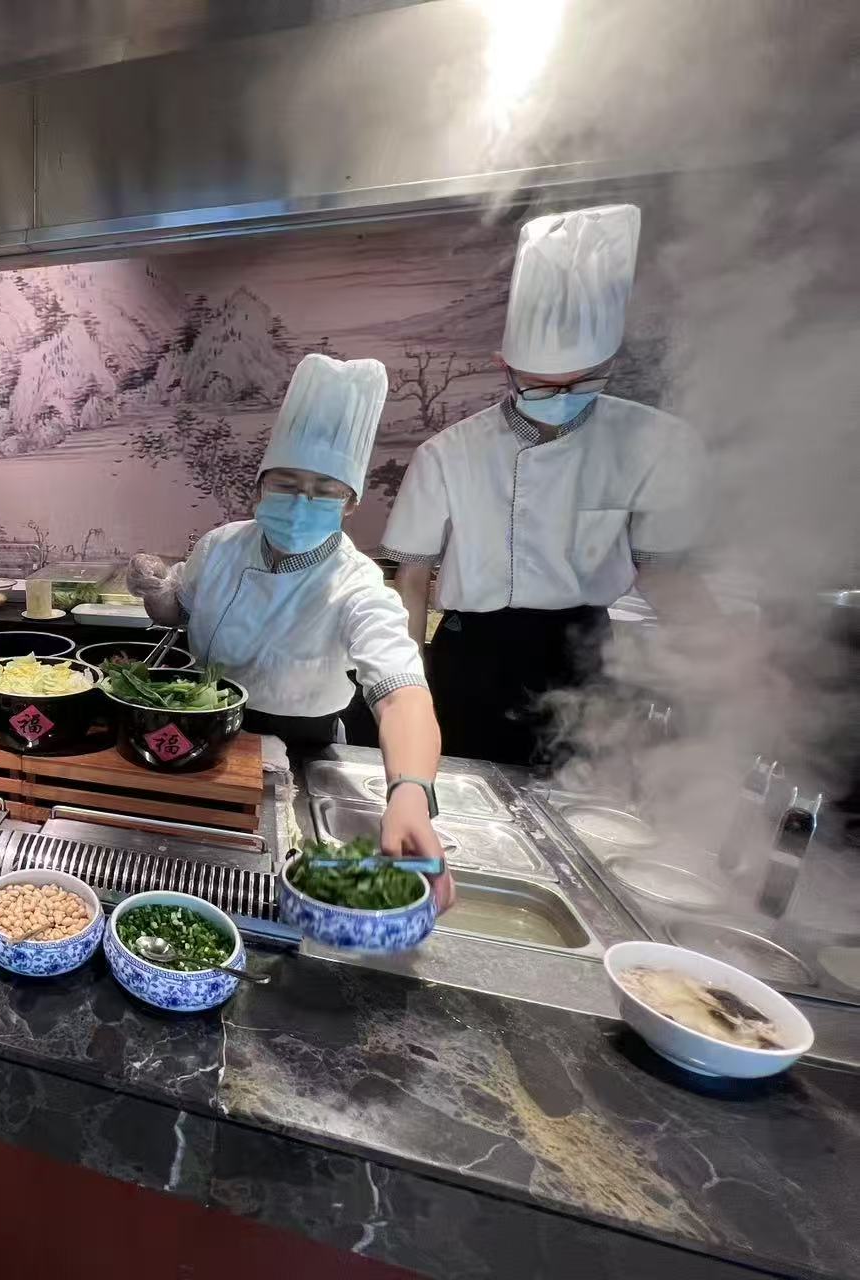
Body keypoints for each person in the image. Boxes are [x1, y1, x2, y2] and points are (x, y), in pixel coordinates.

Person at [380, 204, 709, 769]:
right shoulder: (449, 452)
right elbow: (412, 579)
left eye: (581, 383)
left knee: (579, 798)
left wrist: (725, 663)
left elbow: (664, 575)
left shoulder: (654, 442)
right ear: (504, 366)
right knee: (461, 787)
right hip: (473, 652)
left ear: (609, 363)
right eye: (539, 385)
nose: (560, 397)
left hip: (582, 653)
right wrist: (411, 685)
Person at [129, 354, 450, 889]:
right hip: (205, 729)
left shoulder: (357, 584)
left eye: (325, 489)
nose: (302, 502)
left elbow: (401, 694)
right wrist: (158, 590)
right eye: (286, 483)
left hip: (304, 748)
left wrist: (410, 793)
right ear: (260, 486)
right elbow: (176, 614)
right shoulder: (219, 546)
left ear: (350, 503)